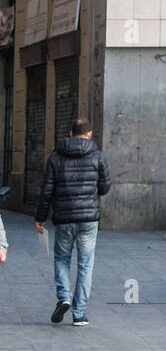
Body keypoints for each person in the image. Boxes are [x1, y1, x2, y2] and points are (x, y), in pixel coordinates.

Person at [35, 117, 112, 327]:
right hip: (88, 219)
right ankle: (79, 314)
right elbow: (105, 187)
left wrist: (40, 217)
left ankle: (64, 297)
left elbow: (47, 190)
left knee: (62, 258)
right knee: (85, 264)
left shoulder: (55, 157)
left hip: (64, 218)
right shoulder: (98, 156)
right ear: (89, 134)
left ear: (70, 133)